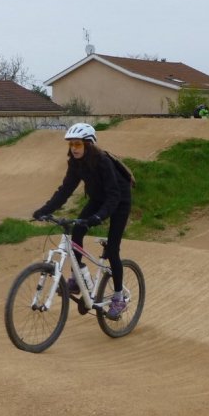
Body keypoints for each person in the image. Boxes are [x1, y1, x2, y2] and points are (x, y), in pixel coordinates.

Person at [32, 123, 133, 319]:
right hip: (97, 199)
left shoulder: (103, 161)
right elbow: (65, 191)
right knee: (76, 231)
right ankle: (78, 281)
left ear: (88, 144)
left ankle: (119, 298)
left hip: (119, 201)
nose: (74, 148)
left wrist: (98, 217)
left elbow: (114, 196)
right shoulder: (75, 163)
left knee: (112, 250)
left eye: (78, 144)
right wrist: (44, 210)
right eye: (71, 145)